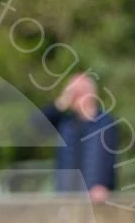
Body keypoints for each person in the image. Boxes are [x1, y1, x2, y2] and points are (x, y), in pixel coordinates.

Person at [44, 72, 118, 204]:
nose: (75, 97)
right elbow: (36, 125)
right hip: (65, 196)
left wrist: (103, 184)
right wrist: (61, 103)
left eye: (79, 92)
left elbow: (108, 158)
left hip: (94, 198)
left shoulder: (105, 122)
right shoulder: (65, 123)